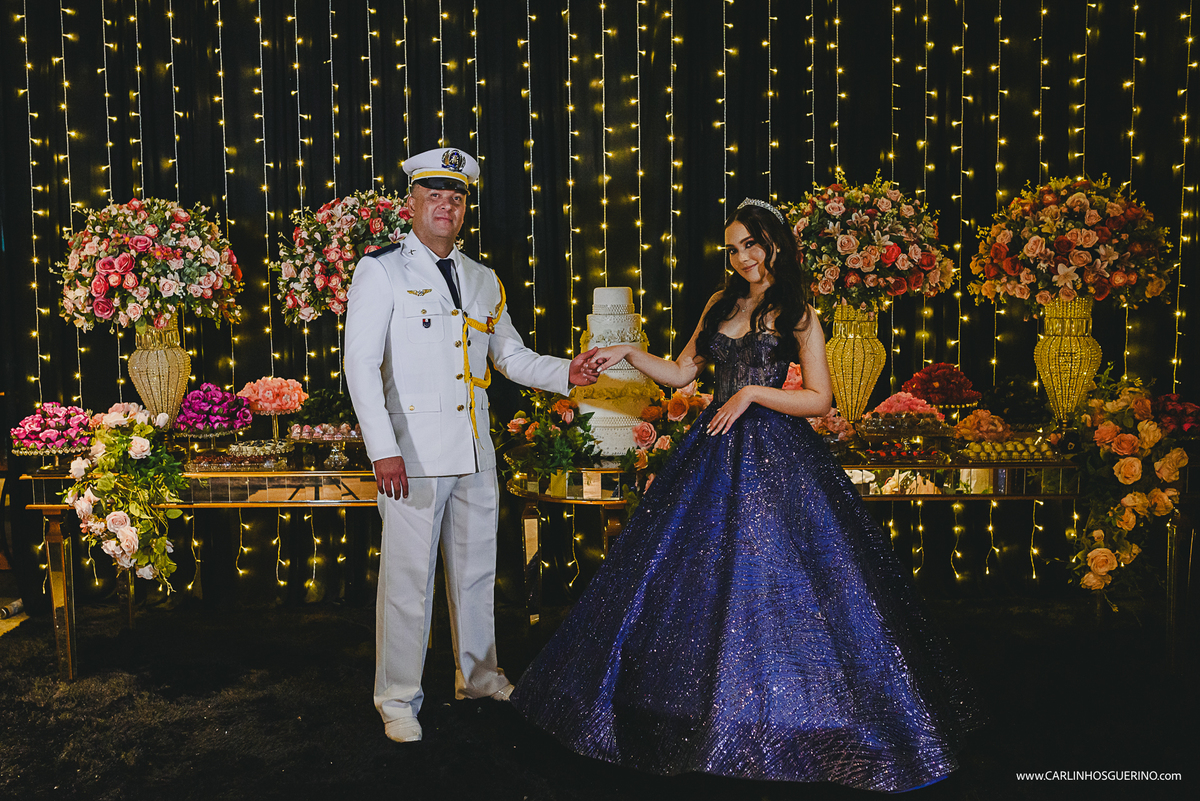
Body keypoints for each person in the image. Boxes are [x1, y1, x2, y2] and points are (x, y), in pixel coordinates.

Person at [511, 199, 981, 792]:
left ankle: (790, 718)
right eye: (734, 248)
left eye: (751, 245)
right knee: (694, 578)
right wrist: (629, 353)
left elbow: (820, 399)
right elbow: (682, 374)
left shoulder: (798, 311)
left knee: (779, 579)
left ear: (774, 243)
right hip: (714, 447)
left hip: (775, 454)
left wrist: (753, 394)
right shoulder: (720, 302)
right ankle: (695, 715)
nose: (743, 258)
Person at [344, 146, 599, 743]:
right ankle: (397, 699)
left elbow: (509, 356)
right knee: (408, 585)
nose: (446, 206)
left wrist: (567, 372)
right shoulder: (382, 271)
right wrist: (382, 449)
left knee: (477, 574)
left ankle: (479, 677)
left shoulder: (483, 279)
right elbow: (360, 366)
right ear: (411, 204)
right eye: (434, 195)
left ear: (465, 209)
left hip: (476, 452)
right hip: (412, 456)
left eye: (456, 197)